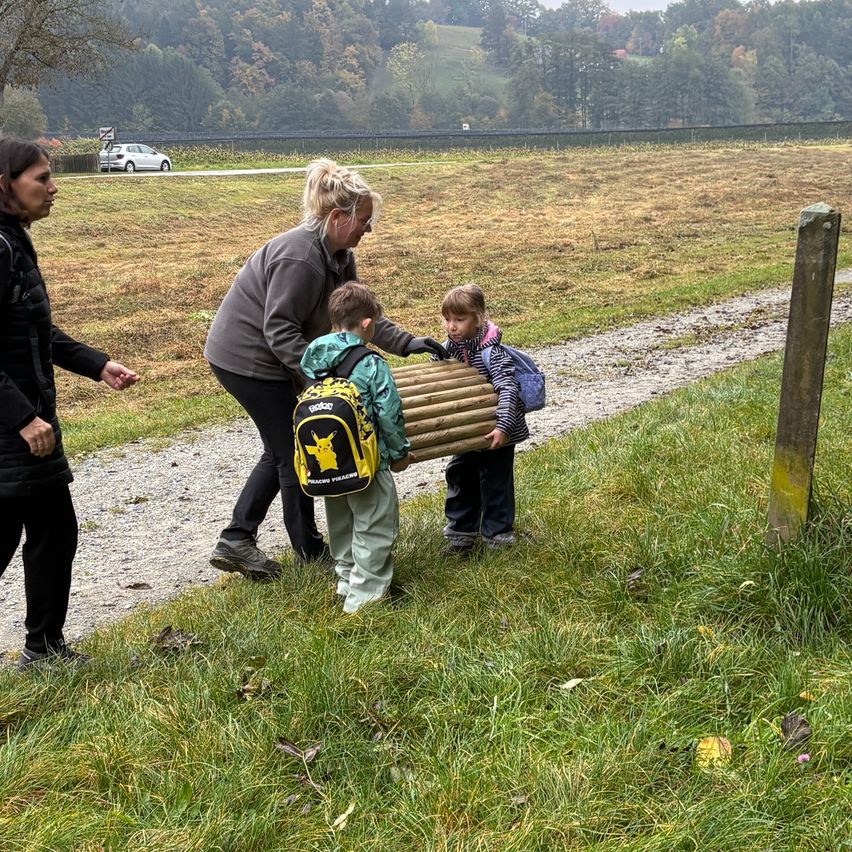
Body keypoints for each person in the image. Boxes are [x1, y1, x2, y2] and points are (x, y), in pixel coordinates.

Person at [204, 158, 445, 580]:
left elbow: (358, 316)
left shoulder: (338, 254)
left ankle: (238, 537)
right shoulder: (302, 259)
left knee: (283, 447)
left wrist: (409, 343)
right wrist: (321, 381)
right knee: (294, 450)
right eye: (363, 221)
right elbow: (278, 330)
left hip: (272, 357)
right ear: (337, 217)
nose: (368, 230)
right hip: (247, 360)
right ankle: (306, 551)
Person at [0, 137, 139, 670]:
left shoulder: (13, 241)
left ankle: (44, 648)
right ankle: (44, 649)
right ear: (6, 184)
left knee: (52, 531)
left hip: (27, 422)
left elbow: (36, 331)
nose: (53, 188)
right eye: (41, 178)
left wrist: (97, 364)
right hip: (12, 427)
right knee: (35, 533)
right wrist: (22, 418)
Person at [300, 282, 412, 613]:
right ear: (366, 324)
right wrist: (398, 454)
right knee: (374, 525)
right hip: (366, 462)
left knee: (341, 525)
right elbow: (388, 412)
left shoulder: (314, 359)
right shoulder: (368, 362)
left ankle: (346, 581)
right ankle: (364, 601)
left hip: (329, 464)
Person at [435, 284, 529, 555]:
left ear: (478, 318)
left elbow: (508, 388)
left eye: (460, 319)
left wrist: (503, 426)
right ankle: (460, 535)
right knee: (460, 477)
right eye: (448, 319)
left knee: (496, 481)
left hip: (496, 431)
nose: (452, 326)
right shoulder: (445, 350)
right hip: (465, 432)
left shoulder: (492, 353)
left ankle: (498, 536)